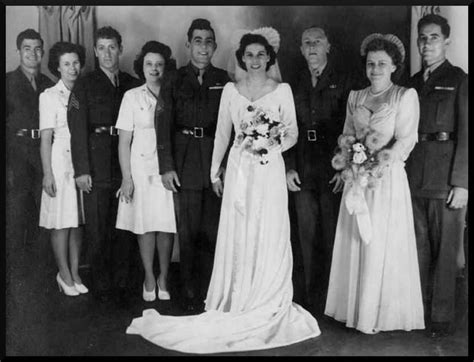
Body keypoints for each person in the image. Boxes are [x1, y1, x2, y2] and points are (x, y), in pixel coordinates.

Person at [126, 30, 321, 354]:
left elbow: (292, 133)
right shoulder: (231, 90)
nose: (255, 60)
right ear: (241, 58)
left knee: (268, 231)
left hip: (268, 169)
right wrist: (215, 171)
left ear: (269, 58)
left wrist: (268, 142)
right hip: (240, 168)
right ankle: (237, 295)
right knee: (239, 232)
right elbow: (221, 134)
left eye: (261, 55)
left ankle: (267, 295)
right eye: (249, 55)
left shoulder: (282, 90)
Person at [324, 34, 425, 334]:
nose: (376, 69)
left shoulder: (404, 96)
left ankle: (378, 313)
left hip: (385, 180)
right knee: (356, 238)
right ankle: (355, 309)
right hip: (356, 179)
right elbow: (345, 136)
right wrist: (348, 163)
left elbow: (407, 138)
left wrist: (378, 160)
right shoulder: (355, 96)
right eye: (371, 64)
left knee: (381, 239)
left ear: (394, 66)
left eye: (382, 63)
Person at [157, 18, 230, 312]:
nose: (203, 46)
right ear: (188, 44)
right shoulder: (173, 79)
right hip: (185, 160)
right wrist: (167, 166)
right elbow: (162, 123)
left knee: (212, 231)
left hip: (213, 158)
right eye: (197, 40)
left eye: (208, 41)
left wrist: (224, 164)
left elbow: (233, 126)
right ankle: (188, 290)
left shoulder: (224, 79)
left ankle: (209, 290)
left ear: (215, 46)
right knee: (187, 231)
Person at [67, 26, 142, 305]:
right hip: (96, 162)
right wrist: (82, 169)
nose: (107, 53)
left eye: (112, 47)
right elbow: (76, 129)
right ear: (95, 51)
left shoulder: (133, 83)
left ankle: (124, 283)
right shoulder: (84, 84)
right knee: (98, 227)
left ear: (120, 49)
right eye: (102, 48)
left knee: (124, 226)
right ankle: (101, 287)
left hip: (126, 162)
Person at [284, 26, 356, 311]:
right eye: (307, 43)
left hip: (332, 164)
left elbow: (353, 126)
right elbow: (286, 126)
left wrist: (344, 167)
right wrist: (288, 167)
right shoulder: (294, 82)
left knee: (332, 232)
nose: (312, 47)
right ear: (301, 50)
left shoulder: (345, 80)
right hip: (302, 162)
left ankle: (333, 300)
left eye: (317, 42)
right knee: (305, 233)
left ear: (328, 46)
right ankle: (311, 300)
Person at [406, 14, 468, 338]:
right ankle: (419, 312)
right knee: (417, 249)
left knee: (446, 253)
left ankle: (442, 319)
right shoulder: (412, 83)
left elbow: (468, 134)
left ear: (446, 41)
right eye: (422, 38)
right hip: (413, 176)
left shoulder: (459, 79)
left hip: (445, 179)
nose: (426, 44)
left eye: (432, 37)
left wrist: (462, 182)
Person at [115, 41, 177, 302]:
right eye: (149, 64)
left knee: (166, 224)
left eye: (159, 64)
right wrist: (127, 178)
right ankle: (149, 277)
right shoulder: (132, 96)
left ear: (166, 68)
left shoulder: (172, 93)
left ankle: (164, 277)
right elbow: (123, 141)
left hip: (166, 167)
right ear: (142, 66)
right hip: (140, 168)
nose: (154, 69)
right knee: (145, 224)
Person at [39, 42, 87, 296]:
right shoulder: (48, 96)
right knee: (61, 221)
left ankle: (75, 271)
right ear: (57, 67)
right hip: (59, 162)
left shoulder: (84, 91)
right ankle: (63, 273)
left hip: (81, 161)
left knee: (77, 220)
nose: (72, 68)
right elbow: (46, 139)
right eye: (66, 63)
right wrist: (48, 173)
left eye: (76, 62)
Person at [6, 29, 54, 256]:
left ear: (42, 52)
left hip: (43, 154)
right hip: (16, 154)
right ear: (18, 52)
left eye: (37, 49)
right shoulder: (7, 82)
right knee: (16, 214)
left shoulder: (49, 83)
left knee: (43, 213)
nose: (32, 53)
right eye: (27, 48)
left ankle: (39, 272)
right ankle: (15, 274)